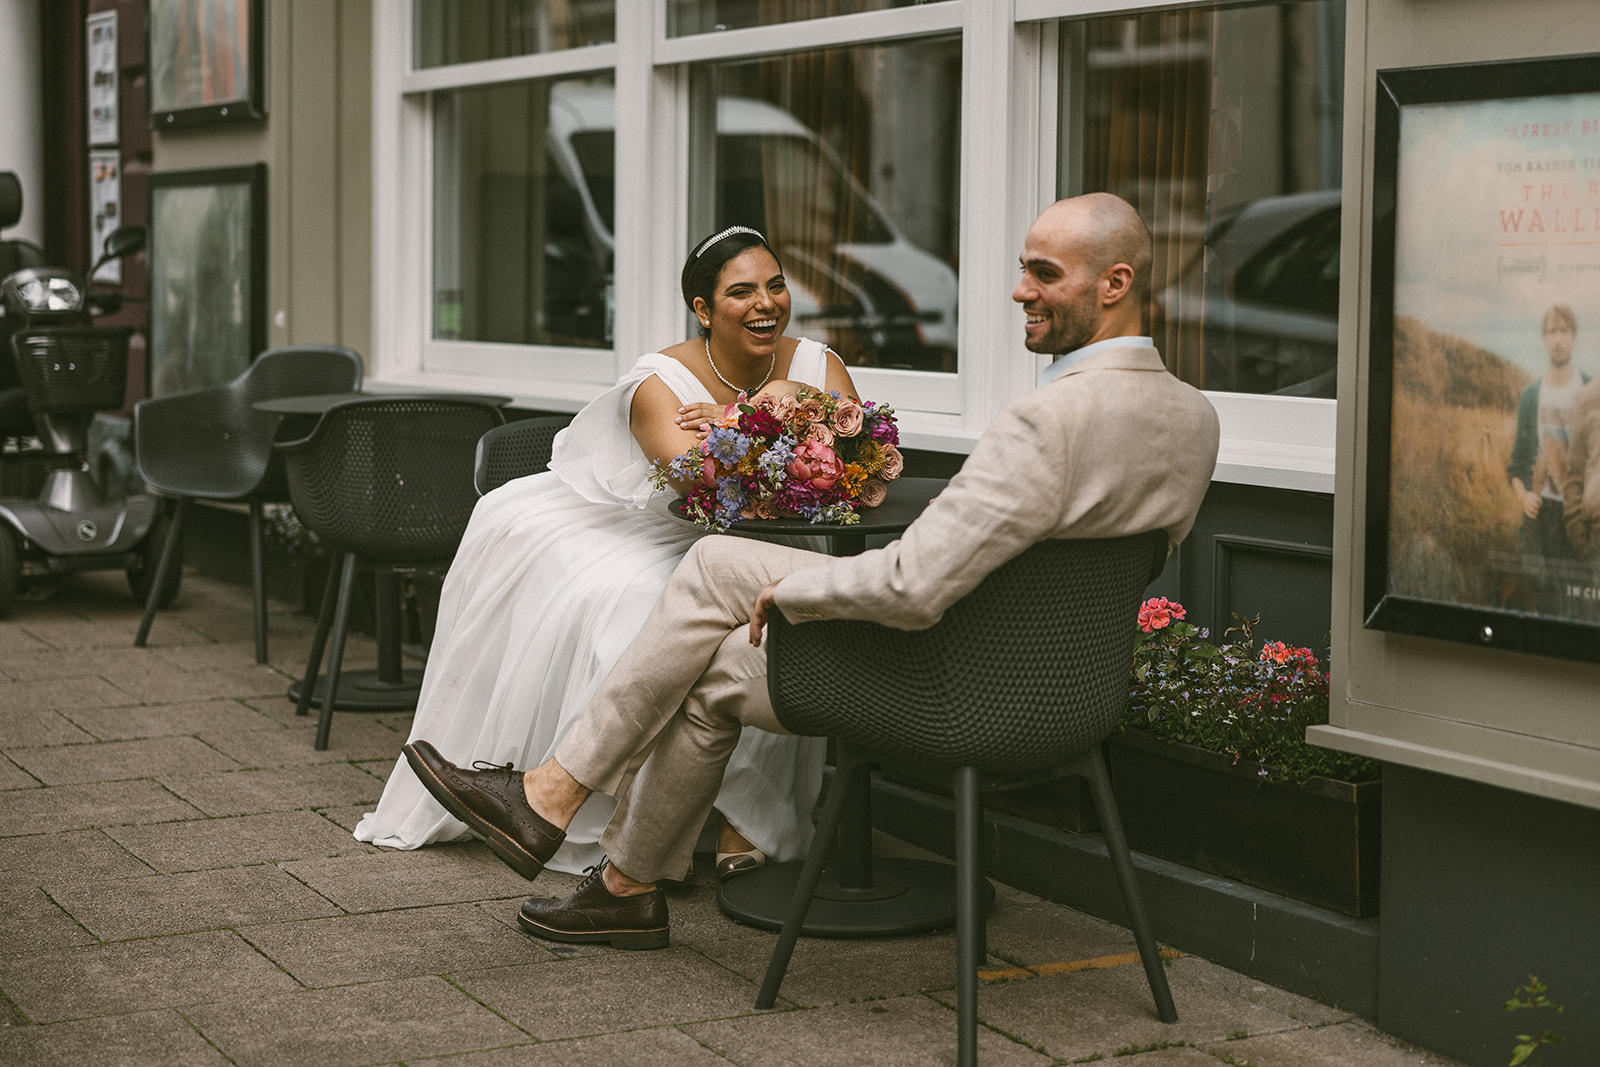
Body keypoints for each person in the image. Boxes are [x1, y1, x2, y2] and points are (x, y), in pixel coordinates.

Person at [403, 193, 1221, 949]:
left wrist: (792, 590)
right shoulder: (1196, 420)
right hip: (1074, 692)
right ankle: (621, 883)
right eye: (1023, 268)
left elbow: (911, 587)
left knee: (723, 564)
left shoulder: (1046, 419)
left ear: (1115, 283)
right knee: (715, 667)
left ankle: (553, 796)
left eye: (1043, 272)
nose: (1018, 291)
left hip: (950, 691)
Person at [353, 226, 859, 879]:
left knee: (766, 618)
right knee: (633, 605)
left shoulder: (817, 366)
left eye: (776, 284)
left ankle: (745, 815)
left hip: (783, 536)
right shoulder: (659, 380)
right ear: (703, 310)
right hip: (673, 527)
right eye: (741, 291)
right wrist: (760, 421)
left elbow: (858, 452)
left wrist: (791, 400)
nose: (766, 302)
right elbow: (697, 481)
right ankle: (613, 816)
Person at [1506, 305, 1588, 613]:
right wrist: (1523, 495)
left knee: (1580, 609)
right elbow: (1515, 466)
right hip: (1541, 522)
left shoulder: (1590, 391)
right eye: (1551, 331)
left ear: (1574, 338)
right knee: (1540, 608)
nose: (1557, 339)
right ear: (1543, 339)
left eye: (1564, 331)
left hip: (1579, 521)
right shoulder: (1531, 396)